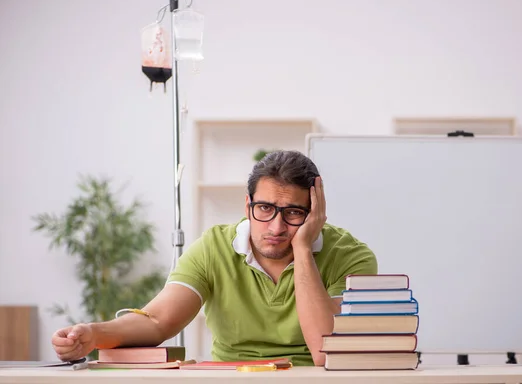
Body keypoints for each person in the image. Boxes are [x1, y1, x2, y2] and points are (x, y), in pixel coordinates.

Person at [51, 150, 378, 366]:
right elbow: (157, 321)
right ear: (247, 205)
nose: (276, 227)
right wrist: (93, 333)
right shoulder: (213, 247)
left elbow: (325, 351)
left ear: (314, 213)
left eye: (293, 213)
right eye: (264, 209)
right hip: (229, 378)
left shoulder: (351, 257)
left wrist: (304, 249)